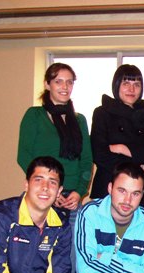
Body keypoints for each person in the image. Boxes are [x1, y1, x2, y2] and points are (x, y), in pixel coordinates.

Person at [17, 63, 93, 217]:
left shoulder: (80, 120)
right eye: (58, 81)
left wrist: (79, 192)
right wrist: (50, 188)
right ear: (47, 84)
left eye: (69, 82)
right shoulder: (34, 115)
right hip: (42, 195)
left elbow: (86, 160)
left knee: (71, 241)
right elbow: (23, 156)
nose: (65, 86)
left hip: (72, 199)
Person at [90, 64, 144, 210]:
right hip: (107, 188)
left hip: (139, 191)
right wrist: (138, 164)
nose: (131, 89)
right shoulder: (102, 113)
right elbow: (99, 155)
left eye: (136, 84)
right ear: (116, 85)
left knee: (138, 232)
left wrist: (123, 149)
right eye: (126, 83)